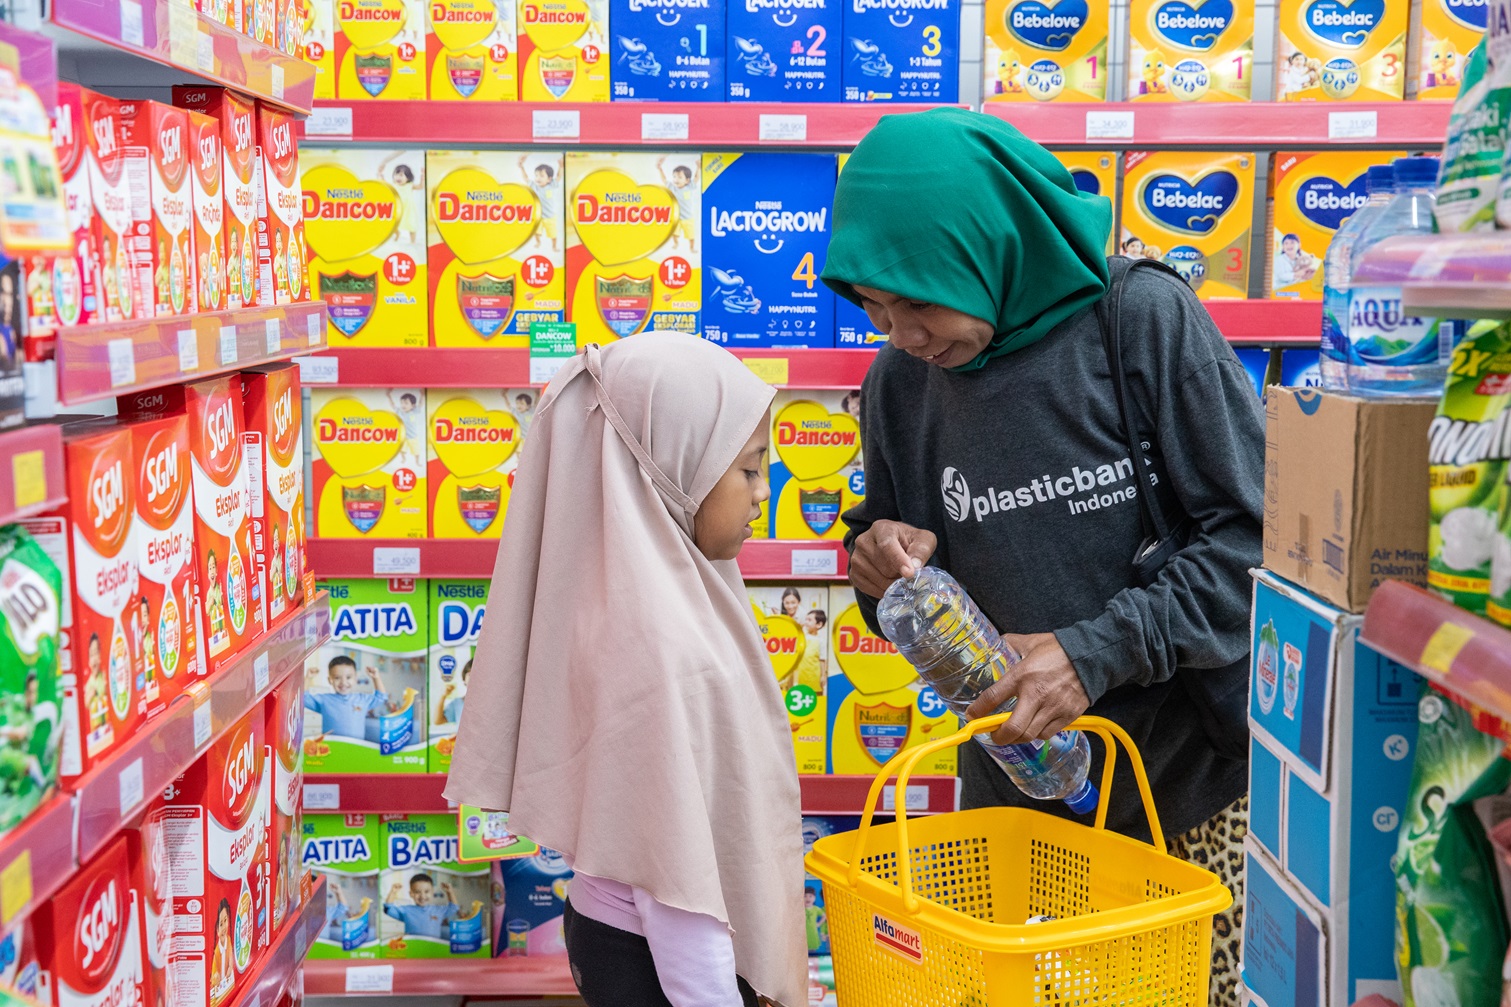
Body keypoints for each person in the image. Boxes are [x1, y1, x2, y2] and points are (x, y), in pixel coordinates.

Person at [822, 108, 1262, 1007]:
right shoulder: (899, 385)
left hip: (1183, 792)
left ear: (985, 244)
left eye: (916, 298)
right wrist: (875, 564)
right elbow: (894, 566)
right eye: (873, 306)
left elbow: (1254, 543)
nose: (899, 332)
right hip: (1016, 807)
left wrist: (1091, 651)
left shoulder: (1135, 320)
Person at [445, 332, 807, 1007]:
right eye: (749, 468)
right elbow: (673, 880)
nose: (764, 491)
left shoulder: (643, 594)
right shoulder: (659, 648)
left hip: (626, 935)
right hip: (661, 958)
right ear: (672, 468)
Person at [305, 656, 390, 739]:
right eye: (337, 678)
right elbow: (303, 698)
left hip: (356, 748)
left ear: (355, 678)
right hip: (333, 748)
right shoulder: (324, 700)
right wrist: (308, 678)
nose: (343, 682)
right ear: (330, 680)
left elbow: (381, 697)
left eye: (348, 677)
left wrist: (376, 678)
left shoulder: (362, 699)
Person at [383, 873, 459, 938]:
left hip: (433, 949)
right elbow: (388, 909)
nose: (422, 896)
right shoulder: (406, 911)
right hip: (413, 949)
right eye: (417, 892)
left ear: (432, 892)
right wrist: (393, 892)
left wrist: (450, 892)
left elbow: (454, 908)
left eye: (426, 891)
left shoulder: (438, 910)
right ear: (411, 894)